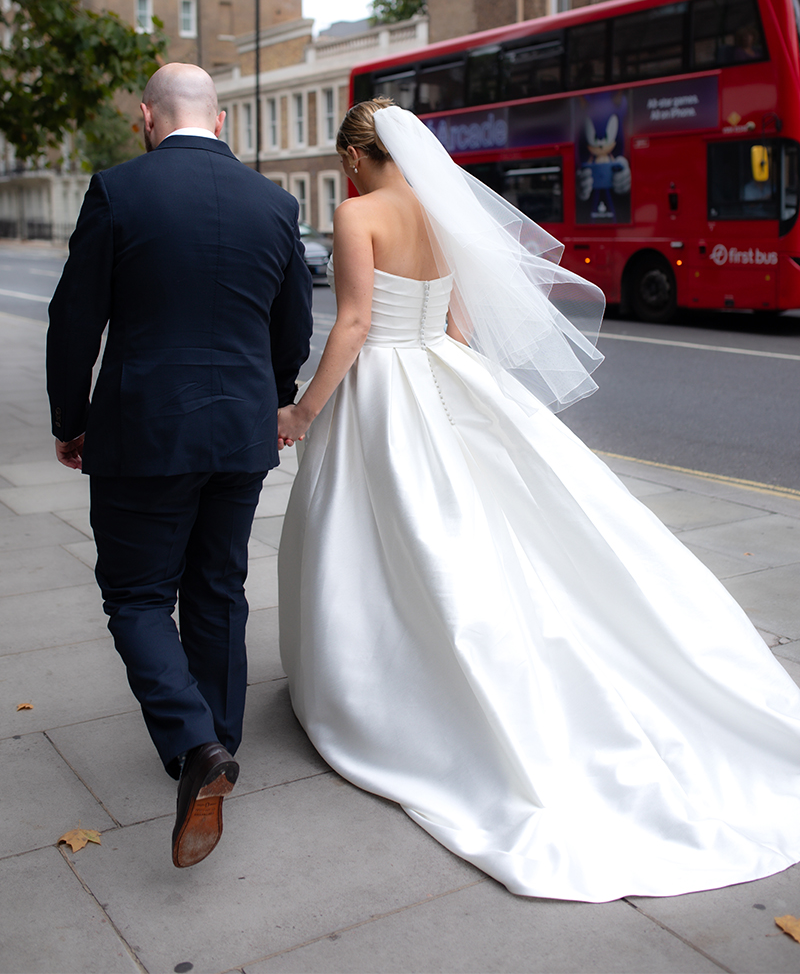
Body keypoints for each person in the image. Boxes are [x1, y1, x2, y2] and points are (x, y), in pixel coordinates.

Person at [276, 98, 800, 903]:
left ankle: (373, 678)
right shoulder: (437, 205)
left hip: (381, 382)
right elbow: (453, 322)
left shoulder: (359, 215)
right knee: (483, 517)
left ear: (353, 160)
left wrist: (306, 410)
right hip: (441, 370)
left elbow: (351, 323)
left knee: (381, 534)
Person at [47, 63, 312, 868]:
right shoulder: (276, 203)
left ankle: (197, 748)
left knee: (134, 595)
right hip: (240, 433)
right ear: (221, 121)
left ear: (145, 118)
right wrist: (272, 400)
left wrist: (72, 421)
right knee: (218, 585)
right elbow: (292, 326)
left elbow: (73, 319)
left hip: (144, 430)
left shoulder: (119, 191)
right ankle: (219, 743)